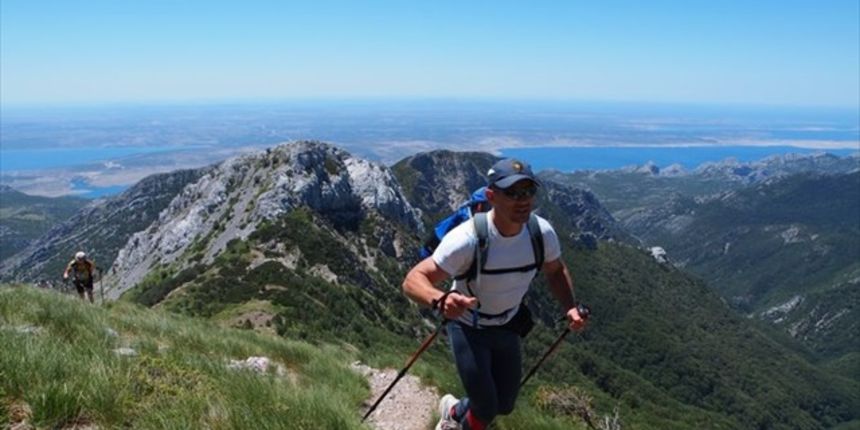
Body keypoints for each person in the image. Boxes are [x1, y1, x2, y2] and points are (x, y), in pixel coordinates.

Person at [402, 158, 588, 430]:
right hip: (468, 327)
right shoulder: (467, 239)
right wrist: (440, 300)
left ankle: (453, 410)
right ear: (491, 196)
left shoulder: (541, 233)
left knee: (505, 404)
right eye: (512, 193)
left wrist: (569, 307)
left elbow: (555, 270)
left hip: (508, 324)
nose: (523, 200)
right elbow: (413, 280)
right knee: (486, 407)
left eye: (528, 191)